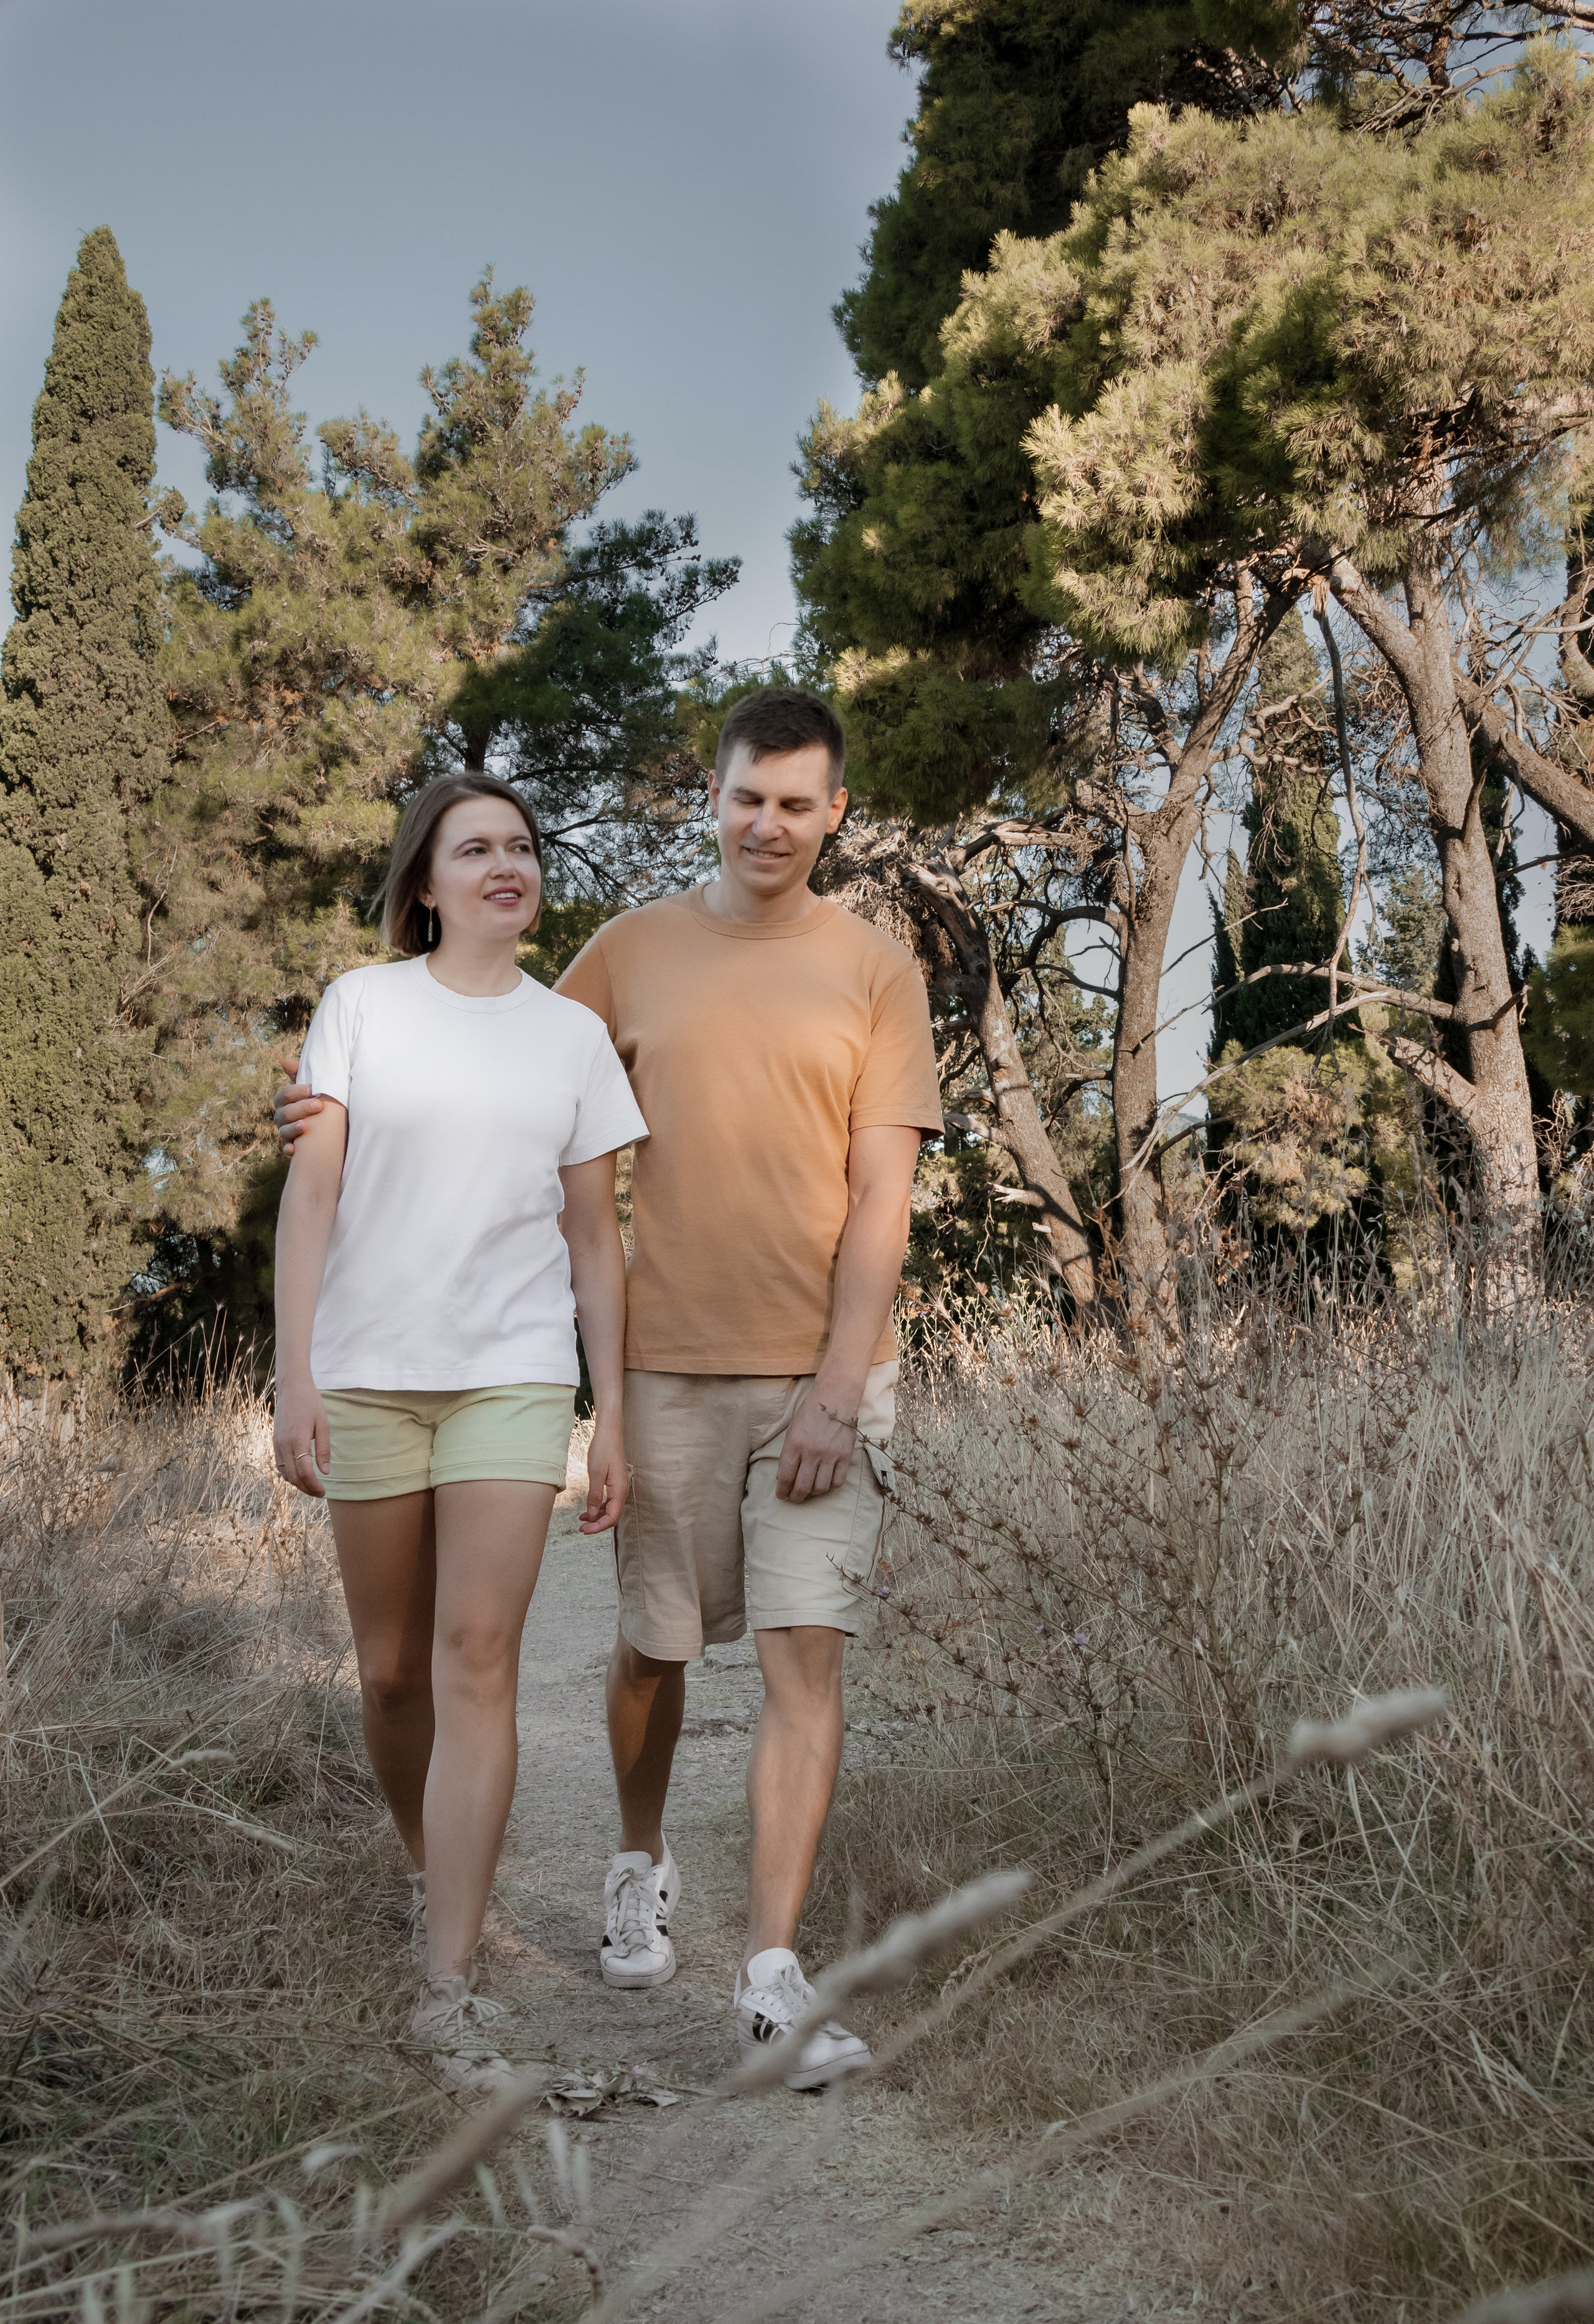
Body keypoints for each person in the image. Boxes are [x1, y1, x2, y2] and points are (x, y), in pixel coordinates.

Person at [276, 689, 941, 2089]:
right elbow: (490, 1040)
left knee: (800, 1655)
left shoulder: (876, 970)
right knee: (651, 1651)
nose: (769, 822)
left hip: (822, 1379)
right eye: (747, 796)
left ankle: (769, 1975)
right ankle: (637, 1860)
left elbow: (883, 1193)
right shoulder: (625, 956)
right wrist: (326, 1104)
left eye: (798, 802)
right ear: (712, 797)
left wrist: (839, 1383)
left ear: (834, 814)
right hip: (667, 1358)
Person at [272, 771, 646, 2096]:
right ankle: (428, 1861)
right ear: (421, 885)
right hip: (367, 1374)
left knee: (475, 1656)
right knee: (388, 1674)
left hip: (514, 1377)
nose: (507, 863)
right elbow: (310, 1202)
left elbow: (597, 1241)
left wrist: (610, 1414)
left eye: (523, 845)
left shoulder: (572, 1040)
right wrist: (292, 1370)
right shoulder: (359, 1010)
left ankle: (450, 1979)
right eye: (474, 847)